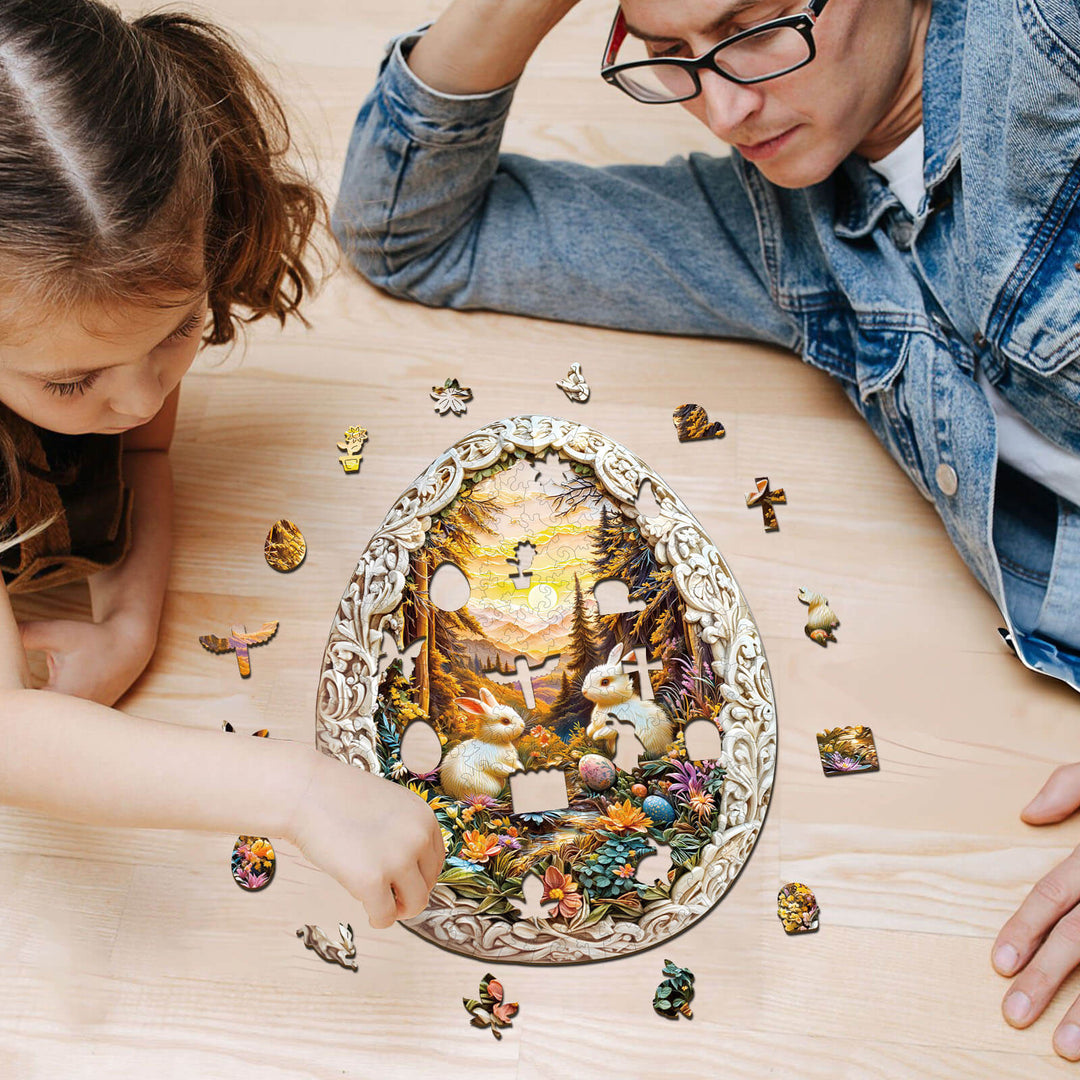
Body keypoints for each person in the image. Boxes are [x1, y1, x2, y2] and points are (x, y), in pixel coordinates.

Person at [331, 0, 1080, 1055]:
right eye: (668, 53)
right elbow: (407, 232)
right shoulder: (779, 221)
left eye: (755, 26)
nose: (724, 110)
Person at [0, 0, 443, 932]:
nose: (138, 397)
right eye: (72, 382)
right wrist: (298, 790)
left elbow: (145, 446)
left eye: (179, 330)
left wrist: (129, 625)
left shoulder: (117, 338)